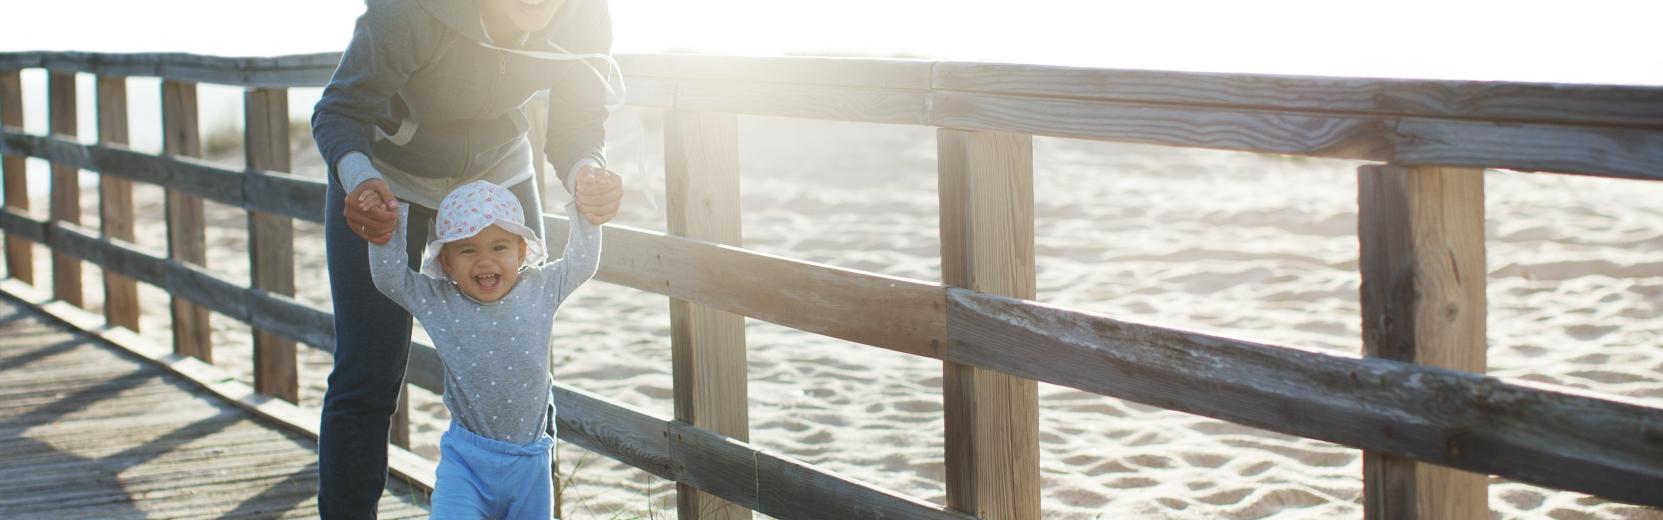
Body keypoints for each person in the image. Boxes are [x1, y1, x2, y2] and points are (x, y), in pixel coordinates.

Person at [311, 0, 623, 516]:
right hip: (388, 180)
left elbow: (578, 124)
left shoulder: (583, 12)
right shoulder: (409, 12)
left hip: (498, 174)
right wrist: (361, 180)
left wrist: (587, 173)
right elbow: (340, 110)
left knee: (527, 364)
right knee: (369, 367)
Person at [362, 179, 603, 519]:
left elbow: (582, 263)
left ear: (521, 251)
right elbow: (391, 279)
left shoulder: (541, 289)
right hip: (466, 464)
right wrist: (387, 225)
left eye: (499, 247)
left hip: (529, 466)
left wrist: (587, 210)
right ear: (446, 262)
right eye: (468, 250)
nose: (485, 261)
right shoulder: (439, 301)